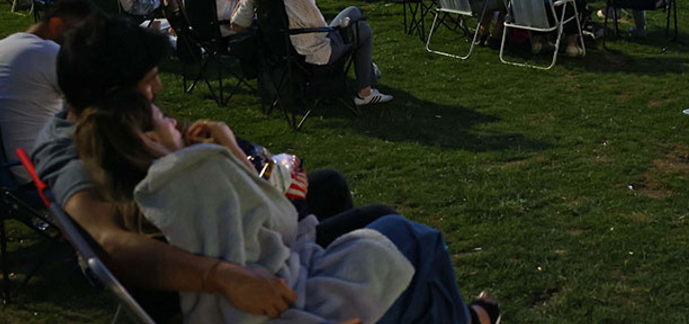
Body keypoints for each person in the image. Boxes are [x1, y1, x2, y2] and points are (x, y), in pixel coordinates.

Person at [33, 15, 429, 323]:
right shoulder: (71, 157)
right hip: (231, 268)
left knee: (331, 189)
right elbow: (111, 243)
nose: (157, 93)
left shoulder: (102, 125)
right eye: (149, 83)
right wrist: (222, 276)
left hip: (246, 236)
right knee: (385, 226)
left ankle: (364, 292)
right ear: (114, 94)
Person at [74, 89, 499, 324]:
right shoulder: (193, 177)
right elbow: (282, 221)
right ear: (146, 139)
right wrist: (227, 150)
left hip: (272, 289)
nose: (174, 122)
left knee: (387, 231)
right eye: (162, 118)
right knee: (418, 240)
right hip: (291, 297)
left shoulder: (140, 202)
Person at [232, 0, 390, 106]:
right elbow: (322, 33)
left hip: (282, 52)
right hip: (313, 55)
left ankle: (368, 70)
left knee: (353, 12)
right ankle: (365, 91)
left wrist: (243, 0)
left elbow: (236, 25)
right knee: (361, 29)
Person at [0, 0, 94, 185]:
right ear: (57, 25)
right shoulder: (47, 52)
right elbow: (95, 103)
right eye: (81, 36)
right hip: (34, 171)